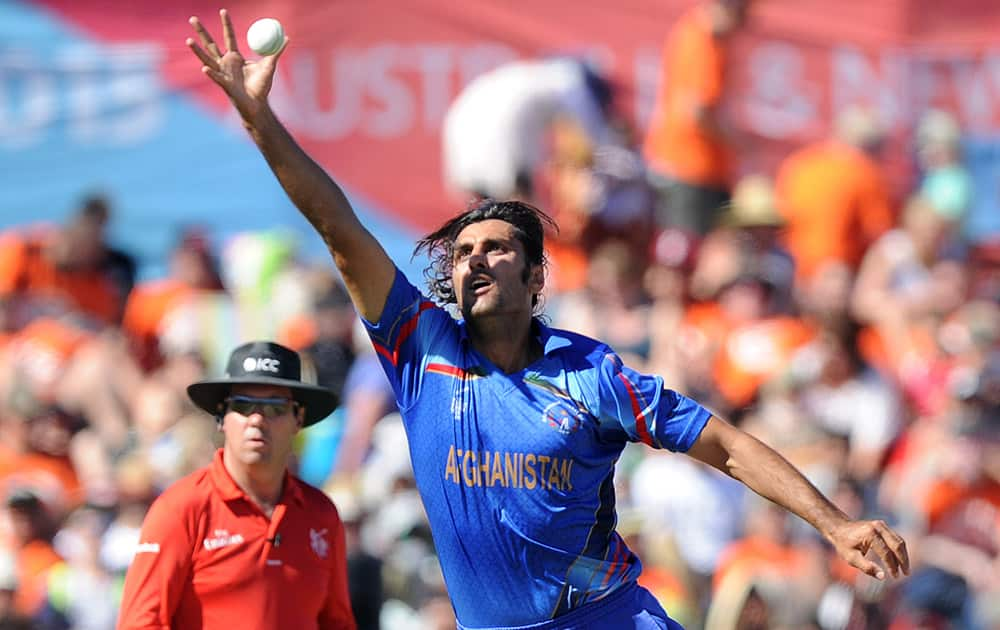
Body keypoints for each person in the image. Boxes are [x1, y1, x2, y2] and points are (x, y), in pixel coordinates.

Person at [184, 11, 909, 629]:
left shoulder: (592, 374)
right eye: (463, 252)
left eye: (497, 250)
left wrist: (834, 522)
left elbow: (719, 443)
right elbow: (338, 227)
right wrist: (261, 122)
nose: (475, 261)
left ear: (535, 279)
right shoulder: (418, 346)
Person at [116, 341, 355, 630]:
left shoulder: (322, 514)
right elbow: (141, 623)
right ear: (222, 418)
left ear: (298, 419)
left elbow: (337, 623)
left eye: (275, 408)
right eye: (242, 406)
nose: (256, 419)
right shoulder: (181, 509)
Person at [643, 0, 751, 235]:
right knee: (689, 251)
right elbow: (697, 112)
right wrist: (738, 144)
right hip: (690, 168)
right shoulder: (702, 42)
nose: (747, 19)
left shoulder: (701, 36)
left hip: (696, 168)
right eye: (744, 9)